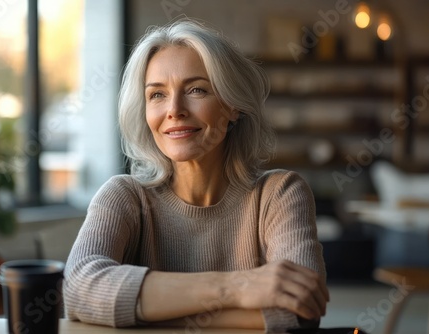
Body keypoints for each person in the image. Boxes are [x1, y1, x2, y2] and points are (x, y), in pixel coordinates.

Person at [63, 19, 329, 332]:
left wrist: (138, 310)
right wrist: (240, 287)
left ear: (233, 106)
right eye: (157, 95)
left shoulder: (279, 193)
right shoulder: (124, 195)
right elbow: (78, 292)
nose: (174, 110)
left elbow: (299, 312)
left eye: (196, 89)